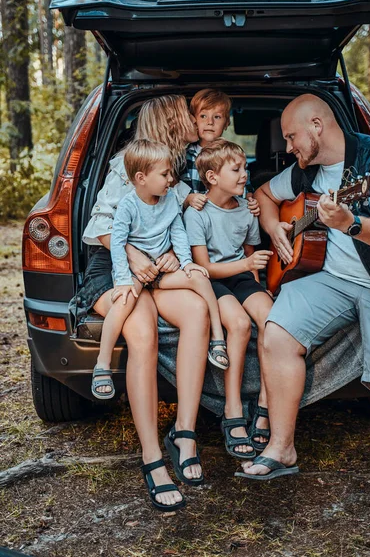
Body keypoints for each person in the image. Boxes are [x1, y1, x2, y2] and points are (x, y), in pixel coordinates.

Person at [236, 93, 370, 487]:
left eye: (291, 137)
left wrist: (351, 224)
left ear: (317, 126)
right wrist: (275, 227)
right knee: (276, 334)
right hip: (329, 279)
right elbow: (264, 195)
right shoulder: (304, 170)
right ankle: (281, 447)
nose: (288, 147)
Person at [74, 95, 211, 511]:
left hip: (157, 267)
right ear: (170, 121)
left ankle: (183, 433)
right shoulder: (126, 166)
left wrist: (171, 253)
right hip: (115, 265)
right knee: (143, 334)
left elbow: (176, 221)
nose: (194, 120)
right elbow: (99, 225)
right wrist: (134, 256)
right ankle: (152, 459)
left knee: (198, 311)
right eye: (187, 114)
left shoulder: (176, 168)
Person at [91, 138, 229, 395]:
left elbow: (177, 232)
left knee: (200, 279)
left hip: (163, 270)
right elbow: (119, 246)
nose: (171, 180)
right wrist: (122, 280)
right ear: (142, 178)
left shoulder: (169, 201)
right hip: (136, 271)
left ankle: (218, 339)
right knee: (124, 302)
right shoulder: (128, 207)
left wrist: (186, 263)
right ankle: (102, 364)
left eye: (171, 173)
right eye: (165, 174)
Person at [184, 138, 274, 459]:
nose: (244, 175)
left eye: (245, 168)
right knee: (238, 324)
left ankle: (265, 404)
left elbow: (249, 256)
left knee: (272, 321)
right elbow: (205, 266)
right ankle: (232, 408)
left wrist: (257, 288)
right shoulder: (198, 214)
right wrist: (248, 265)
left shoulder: (247, 208)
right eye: (236, 169)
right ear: (212, 177)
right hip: (211, 280)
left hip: (240, 275)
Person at [181, 88, 260, 216]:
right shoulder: (185, 157)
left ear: (226, 123)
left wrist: (251, 201)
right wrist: (188, 199)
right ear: (193, 121)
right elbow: (179, 193)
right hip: (198, 220)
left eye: (217, 117)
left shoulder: (235, 155)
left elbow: (246, 188)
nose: (210, 122)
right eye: (203, 116)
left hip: (228, 217)